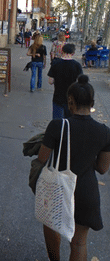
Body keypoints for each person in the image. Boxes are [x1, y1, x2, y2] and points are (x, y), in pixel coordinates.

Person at [37, 75, 110, 261]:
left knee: (52, 226)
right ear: (92, 102)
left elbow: (42, 158)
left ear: (70, 102)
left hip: (58, 189)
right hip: (86, 192)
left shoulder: (58, 126)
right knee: (79, 243)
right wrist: (87, 157)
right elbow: (102, 168)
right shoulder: (104, 132)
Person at [48, 43, 83, 119]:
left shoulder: (55, 63)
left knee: (57, 122)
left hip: (58, 97)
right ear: (73, 53)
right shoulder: (77, 65)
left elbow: (50, 81)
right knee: (70, 121)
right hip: (72, 98)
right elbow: (81, 82)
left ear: (62, 51)